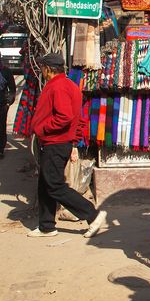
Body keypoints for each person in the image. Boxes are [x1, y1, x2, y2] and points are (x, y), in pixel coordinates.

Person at [29, 52, 108, 239]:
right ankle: (46, 226)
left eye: (42, 68)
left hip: (55, 143)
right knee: (45, 184)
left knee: (54, 185)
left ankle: (92, 214)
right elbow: (78, 118)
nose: (42, 71)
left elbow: (64, 116)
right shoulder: (69, 86)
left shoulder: (58, 87)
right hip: (58, 142)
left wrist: (42, 128)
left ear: (47, 69)